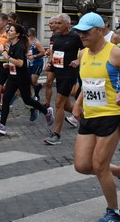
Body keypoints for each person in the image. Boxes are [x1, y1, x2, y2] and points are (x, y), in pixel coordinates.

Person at [72, 12, 120, 222]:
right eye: (80, 32)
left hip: (112, 115)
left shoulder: (116, 54)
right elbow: (88, 83)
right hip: (90, 116)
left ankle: (114, 212)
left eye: (86, 31)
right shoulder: (83, 54)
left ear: (101, 30)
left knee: (100, 166)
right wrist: (77, 102)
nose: (82, 35)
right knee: (83, 165)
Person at [0, 24, 54, 135]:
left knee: (27, 100)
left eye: (11, 31)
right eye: (8, 30)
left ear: (17, 34)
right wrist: (8, 65)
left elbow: (21, 63)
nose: (8, 32)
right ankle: (2, 125)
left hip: (22, 78)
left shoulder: (19, 46)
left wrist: (6, 55)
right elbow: (16, 62)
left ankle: (46, 111)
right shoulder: (12, 44)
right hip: (13, 77)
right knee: (6, 100)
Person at [44, 14, 83, 145]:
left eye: (60, 23)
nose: (56, 26)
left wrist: (78, 60)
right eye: (56, 23)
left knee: (59, 102)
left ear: (68, 24)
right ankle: (86, 119)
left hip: (69, 73)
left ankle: (56, 134)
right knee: (66, 105)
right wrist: (49, 62)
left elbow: (86, 50)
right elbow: (54, 52)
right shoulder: (55, 37)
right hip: (58, 71)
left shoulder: (76, 37)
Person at [27, 27, 45, 103]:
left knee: (33, 80)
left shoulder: (37, 42)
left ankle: (37, 95)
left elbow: (43, 52)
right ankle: (38, 87)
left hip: (37, 63)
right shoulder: (27, 40)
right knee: (29, 80)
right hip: (29, 63)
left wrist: (34, 56)